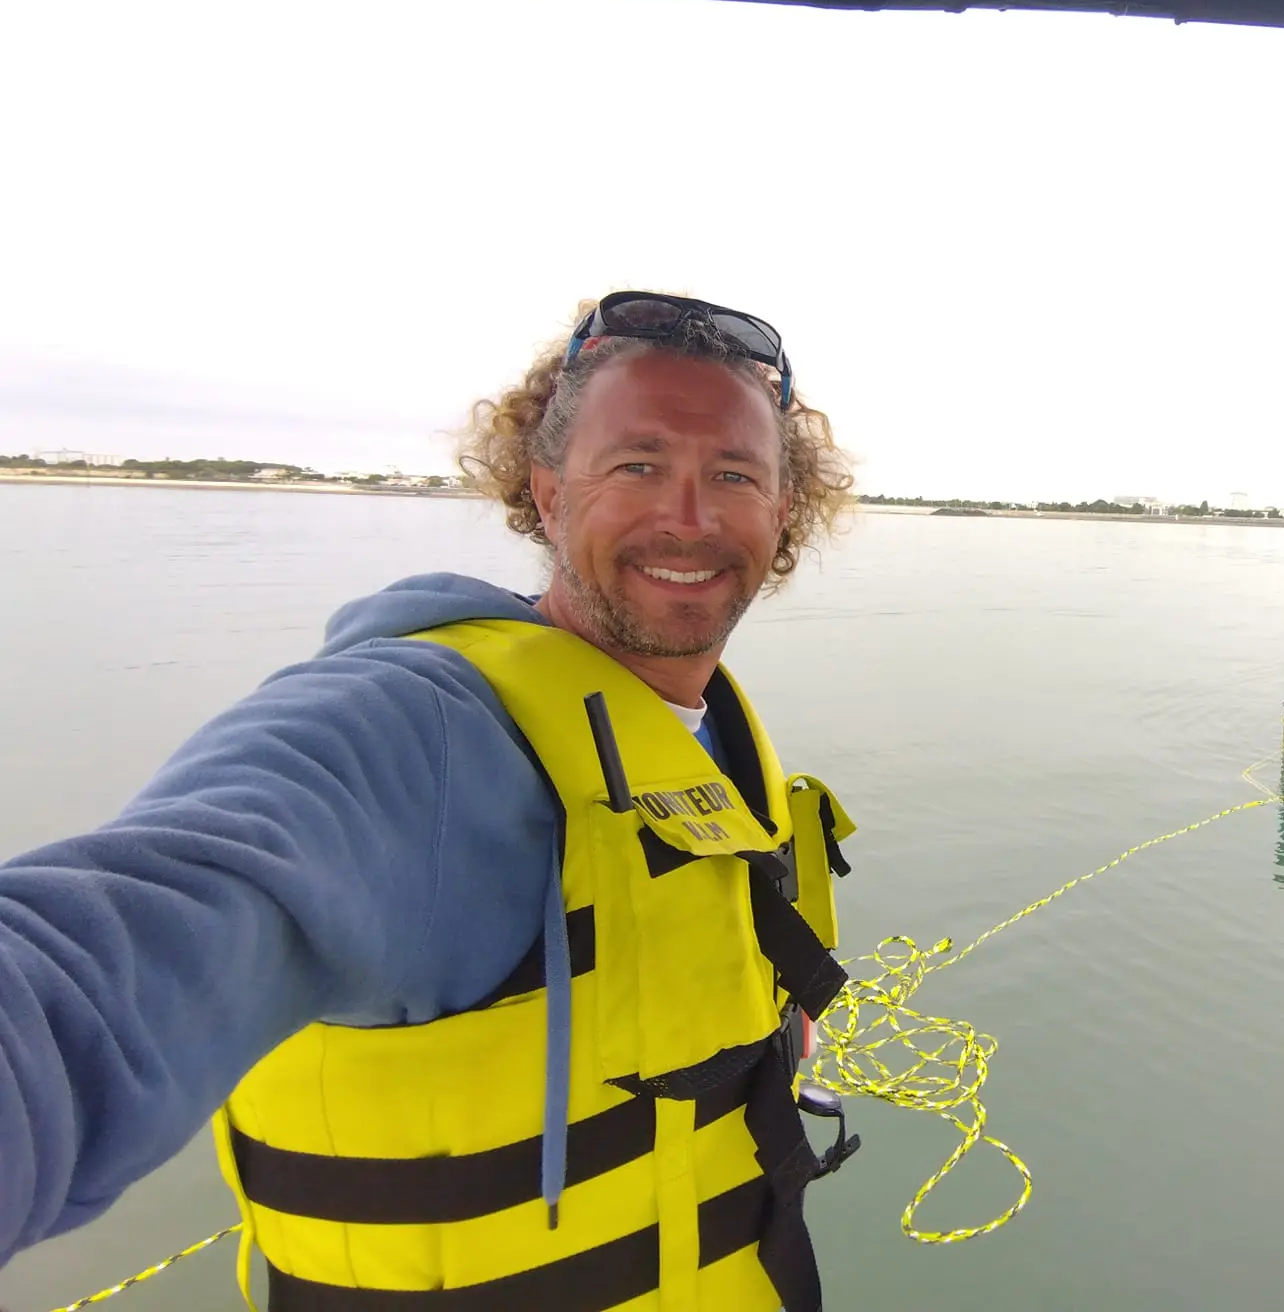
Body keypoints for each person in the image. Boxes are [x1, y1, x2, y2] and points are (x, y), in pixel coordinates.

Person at [0, 291, 861, 1311]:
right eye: (637, 466)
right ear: (546, 494)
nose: (689, 516)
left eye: (734, 475)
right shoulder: (415, 729)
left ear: (781, 511)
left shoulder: (700, 725)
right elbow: (86, 980)